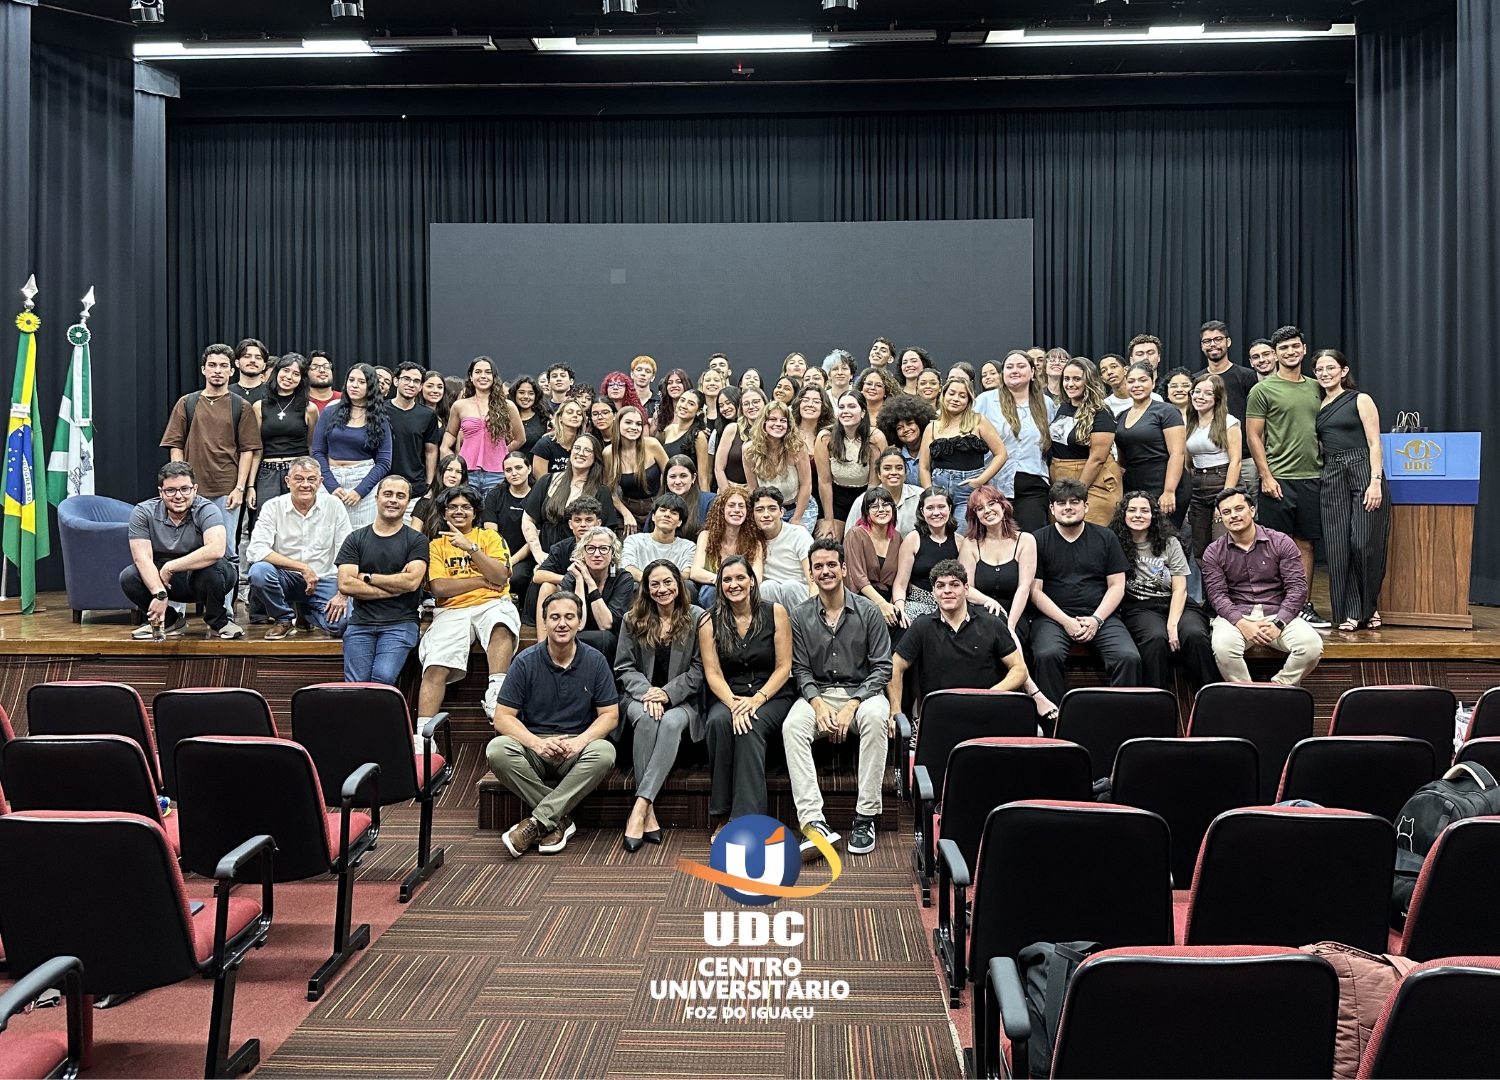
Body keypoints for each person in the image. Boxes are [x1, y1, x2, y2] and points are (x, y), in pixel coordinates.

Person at [783, 539, 893, 858]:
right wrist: (817, 704)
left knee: (875, 719)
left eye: (832, 564)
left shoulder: (869, 610)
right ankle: (814, 823)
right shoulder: (800, 614)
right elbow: (800, 669)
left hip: (863, 693)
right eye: (819, 566)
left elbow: (882, 667)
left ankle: (864, 817)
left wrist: (853, 704)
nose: (826, 571)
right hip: (818, 692)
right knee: (793, 727)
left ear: (844, 569)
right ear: (811, 573)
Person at [490, 591, 619, 858]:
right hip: (534, 747)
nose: (562, 623)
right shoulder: (525, 661)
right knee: (497, 749)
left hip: (576, 748)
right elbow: (502, 717)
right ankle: (558, 818)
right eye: (555, 617)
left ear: (580, 623)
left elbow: (610, 715)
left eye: (569, 617)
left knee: (605, 753)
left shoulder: (595, 661)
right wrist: (536, 743)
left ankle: (538, 821)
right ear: (545, 622)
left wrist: (580, 742)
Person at [615, 559, 705, 851]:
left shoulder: (697, 617)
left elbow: (699, 670)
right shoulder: (633, 618)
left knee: (668, 721)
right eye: (655, 583)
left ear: (679, 585)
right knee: (646, 718)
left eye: (668, 582)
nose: (661, 589)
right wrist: (648, 693)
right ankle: (648, 813)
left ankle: (639, 807)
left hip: (683, 702)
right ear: (646, 587)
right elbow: (625, 667)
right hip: (639, 698)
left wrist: (666, 694)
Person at [1029, 478, 1142, 708]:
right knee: (1046, 655)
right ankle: (1053, 725)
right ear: (1052, 509)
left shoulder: (1106, 537)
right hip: (1053, 619)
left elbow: (1117, 585)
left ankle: (1121, 724)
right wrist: (1066, 621)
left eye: (1074, 502)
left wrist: (1096, 619)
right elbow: (1034, 591)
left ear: (1086, 506)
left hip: (1101, 615)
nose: (1068, 507)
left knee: (1128, 658)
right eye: (1061, 503)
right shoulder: (1037, 540)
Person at [699, 556, 796, 825]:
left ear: (752, 581)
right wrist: (733, 703)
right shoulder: (708, 620)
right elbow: (713, 673)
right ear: (719, 585)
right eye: (727, 580)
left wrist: (756, 700)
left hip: (771, 693)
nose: (734, 584)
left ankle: (746, 821)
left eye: (740, 578)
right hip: (729, 692)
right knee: (718, 721)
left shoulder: (775, 612)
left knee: (748, 726)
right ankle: (722, 813)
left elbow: (783, 667)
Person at [1244, 326, 1329, 627]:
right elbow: (1253, 435)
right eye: (1284, 348)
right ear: (1275, 353)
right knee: (1273, 545)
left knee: (1305, 543)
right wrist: (1266, 476)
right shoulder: (1262, 390)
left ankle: (1303, 603)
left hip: (1312, 477)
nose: (1290, 352)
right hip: (1278, 477)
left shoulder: (1317, 387)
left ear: (1304, 349)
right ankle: (1274, 604)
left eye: (1295, 347)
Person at [418, 484, 521, 723]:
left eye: (466, 507)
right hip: (451, 609)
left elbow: (501, 576)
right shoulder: (435, 545)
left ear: (475, 512)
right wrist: (482, 580)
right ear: (444, 514)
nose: (459, 511)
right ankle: (422, 736)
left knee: (501, 622)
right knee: (436, 662)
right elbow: (439, 587)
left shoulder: (489, 537)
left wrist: (471, 548)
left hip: (491, 603)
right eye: (452, 507)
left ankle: (496, 693)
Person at [1201, 487, 1324, 685]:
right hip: (1237, 614)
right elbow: (1217, 596)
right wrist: (1242, 623)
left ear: (1252, 510)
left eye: (1239, 508)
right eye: (1226, 512)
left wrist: (1280, 622)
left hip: (1277, 612)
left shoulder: (1280, 542)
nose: (1233, 515)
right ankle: (1247, 693)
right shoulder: (1214, 552)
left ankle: (1278, 687)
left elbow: (1297, 588)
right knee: (1223, 647)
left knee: (1311, 646)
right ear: (1220, 517)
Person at [959, 485, 1057, 720]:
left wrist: (1010, 624)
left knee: (1004, 632)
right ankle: (1033, 692)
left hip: (1016, 612)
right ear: (975, 517)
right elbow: (966, 588)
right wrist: (989, 601)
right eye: (980, 509)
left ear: (1003, 505)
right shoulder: (970, 544)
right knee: (992, 627)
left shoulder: (1026, 540)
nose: (987, 511)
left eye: (991, 504)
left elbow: (1025, 587)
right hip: (979, 612)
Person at [160, 344, 262, 569]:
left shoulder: (241, 407)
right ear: (203, 370)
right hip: (189, 490)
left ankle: (223, 605)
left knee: (225, 552)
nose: (218, 370)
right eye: (212, 365)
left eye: (223, 366)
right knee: (181, 548)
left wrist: (240, 488)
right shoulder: (187, 403)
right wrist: (180, 484)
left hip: (226, 491)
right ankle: (175, 605)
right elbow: (175, 444)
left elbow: (248, 450)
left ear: (231, 371)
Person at [887, 559, 1029, 718]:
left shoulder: (991, 624)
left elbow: (1020, 670)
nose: (947, 590)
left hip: (986, 712)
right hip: (940, 717)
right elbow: (895, 666)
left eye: (954, 585)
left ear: (966, 589)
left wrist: (992, 694)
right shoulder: (922, 626)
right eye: (940, 586)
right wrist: (895, 712)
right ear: (933, 592)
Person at [1109, 492, 1218, 692]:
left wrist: (1173, 625)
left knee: (1195, 635)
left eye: (1145, 510)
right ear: (1123, 515)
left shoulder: (1169, 542)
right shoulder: (1113, 543)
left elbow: (1180, 588)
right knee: (1155, 639)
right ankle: (1155, 701)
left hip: (1176, 601)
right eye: (1132, 510)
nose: (1138, 515)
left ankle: (1208, 697)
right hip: (1139, 607)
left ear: (1154, 515)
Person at [1314, 350, 1389, 632]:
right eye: (1319, 369)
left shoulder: (1360, 399)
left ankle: (1367, 607)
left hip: (1361, 470)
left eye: (1330, 367)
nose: (1324, 373)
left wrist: (1375, 480)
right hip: (1332, 473)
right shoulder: (1319, 405)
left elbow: (1375, 443)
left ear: (1343, 371)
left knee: (1363, 543)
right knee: (1337, 547)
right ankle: (1349, 612)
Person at [123, 462, 242, 639]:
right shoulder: (143, 512)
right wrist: (160, 593)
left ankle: (220, 622)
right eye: (170, 490)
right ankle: (169, 622)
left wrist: (171, 567)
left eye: (185, 489)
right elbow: (142, 558)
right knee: (129, 576)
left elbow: (216, 549)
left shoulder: (208, 509)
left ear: (195, 489)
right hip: (166, 582)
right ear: (160, 492)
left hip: (202, 577)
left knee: (215, 568)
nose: (178, 496)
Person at [336, 474, 428, 683]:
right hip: (361, 624)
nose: (393, 500)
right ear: (376, 498)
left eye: (400, 496)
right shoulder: (355, 539)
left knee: (382, 678)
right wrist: (394, 587)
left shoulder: (416, 540)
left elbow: (411, 582)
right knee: (356, 684)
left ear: (407, 503)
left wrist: (366, 577)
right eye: (388, 494)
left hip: (400, 624)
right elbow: (346, 583)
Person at [246, 456, 351, 639]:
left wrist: (343, 593)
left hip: (324, 578)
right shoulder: (273, 507)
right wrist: (302, 567)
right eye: (299, 479)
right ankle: (283, 618)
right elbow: (255, 550)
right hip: (285, 577)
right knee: (259, 571)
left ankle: (306, 611)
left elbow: (348, 553)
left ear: (320, 482)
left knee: (341, 625)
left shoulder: (334, 505)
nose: (305, 485)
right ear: (288, 481)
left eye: (311, 479)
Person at [975, 352, 1053, 533]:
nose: (1014, 371)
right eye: (1009, 367)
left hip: (1033, 485)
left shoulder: (1046, 404)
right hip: (994, 485)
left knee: (1031, 541)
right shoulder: (985, 401)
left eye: (1021, 366)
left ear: (1033, 372)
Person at [922, 375, 1008, 534]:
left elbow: (1001, 454)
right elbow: (924, 467)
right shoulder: (932, 427)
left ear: (969, 400)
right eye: (952, 393)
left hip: (967, 491)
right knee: (938, 537)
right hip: (939, 490)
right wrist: (930, 493)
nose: (956, 399)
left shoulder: (978, 421)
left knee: (962, 537)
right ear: (943, 395)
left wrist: (980, 480)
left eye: (962, 396)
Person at [312, 364, 392, 530]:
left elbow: (384, 462)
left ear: (371, 386)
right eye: (351, 380)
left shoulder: (380, 418)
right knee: (324, 533)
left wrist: (360, 491)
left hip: (364, 480)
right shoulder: (330, 411)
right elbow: (318, 452)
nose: (354, 385)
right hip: (329, 478)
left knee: (360, 537)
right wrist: (331, 485)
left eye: (361, 382)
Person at [1047, 357, 1121, 526]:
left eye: (1077, 379)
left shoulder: (1101, 413)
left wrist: (1076, 492)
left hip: (1092, 481)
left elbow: (1097, 459)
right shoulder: (1064, 407)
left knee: (1089, 534)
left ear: (1089, 381)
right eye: (1066, 379)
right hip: (1061, 479)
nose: (1070, 384)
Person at [522, 433, 622, 556]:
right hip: (543, 554)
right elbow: (527, 520)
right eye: (577, 448)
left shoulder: (601, 492)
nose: (580, 453)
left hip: (580, 557)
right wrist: (538, 553)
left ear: (595, 458)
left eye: (587, 450)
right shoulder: (547, 481)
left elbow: (606, 533)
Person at [1115, 361, 1188, 528]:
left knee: (1164, 539)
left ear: (1153, 382)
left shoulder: (1167, 411)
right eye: (1131, 381)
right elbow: (1122, 462)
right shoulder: (1120, 416)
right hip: (1134, 488)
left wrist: (1169, 491)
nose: (1137, 385)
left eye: (1142, 380)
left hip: (1164, 484)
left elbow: (1177, 454)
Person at [440, 356, 522, 498]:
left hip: (498, 474)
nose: (483, 376)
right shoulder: (460, 405)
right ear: (471, 377)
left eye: (488, 372)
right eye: (478, 372)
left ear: (494, 376)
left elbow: (520, 439)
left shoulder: (508, 406)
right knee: (468, 513)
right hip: (467, 472)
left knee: (492, 516)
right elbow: (450, 434)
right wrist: (447, 452)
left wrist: (501, 453)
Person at [248, 354, 320, 515]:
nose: (289, 377)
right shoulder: (259, 406)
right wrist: (250, 486)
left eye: (296, 374)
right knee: (265, 523)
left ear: (302, 379)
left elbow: (311, 446)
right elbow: (256, 450)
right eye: (286, 370)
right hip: (267, 473)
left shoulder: (310, 408)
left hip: (299, 473)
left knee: (298, 522)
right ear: (277, 372)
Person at [1184, 372, 1243, 559]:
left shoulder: (1229, 422)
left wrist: (1225, 498)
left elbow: (1236, 461)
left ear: (1217, 397)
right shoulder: (1190, 424)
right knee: (1199, 549)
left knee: (1223, 546)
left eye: (1207, 393)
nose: (1200, 397)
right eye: (1196, 391)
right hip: (1198, 485)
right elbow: (1188, 465)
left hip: (1223, 480)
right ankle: (1208, 589)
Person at [893, 487, 967, 627]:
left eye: (941, 507)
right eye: (930, 508)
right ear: (922, 511)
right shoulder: (913, 539)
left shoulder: (960, 541)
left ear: (950, 508)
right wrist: (901, 609)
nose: (936, 513)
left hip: (951, 602)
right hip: (918, 602)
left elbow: (965, 584)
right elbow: (900, 584)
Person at [816, 391, 885, 540]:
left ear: (863, 412)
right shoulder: (825, 437)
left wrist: (867, 516)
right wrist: (828, 520)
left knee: (860, 541)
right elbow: (824, 481)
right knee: (827, 541)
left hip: (864, 496)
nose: (845, 411)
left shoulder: (876, 438)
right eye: (842, 407)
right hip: (835, 498)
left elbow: (874, 483)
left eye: (852, 406)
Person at [526, 496, 604, 623]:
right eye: (577, 520)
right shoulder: (560, 547)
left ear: (598, 523)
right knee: (547, 586)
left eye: (589, 520)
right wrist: (571, 580)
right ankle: (543, 642)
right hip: (569, 594)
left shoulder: (607, 546)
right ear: (570, 524)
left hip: (598, 595)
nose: (583, 525)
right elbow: (538, 576)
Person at [845, 487, 902, 637]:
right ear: (866, 511)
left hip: (889, 599)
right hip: (861, 598)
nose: (881, 509)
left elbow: (900, 580)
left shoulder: (897, 538)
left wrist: (893, 605)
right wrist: (881, 604)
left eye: (886, 504)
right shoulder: (855, 534)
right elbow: (857, 578)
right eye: (874, 506)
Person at [743, 401, 812, 523]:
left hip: (798, 509)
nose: (778, 424)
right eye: (773, 419)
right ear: (763, 423)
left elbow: (806, 485)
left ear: (789, 425)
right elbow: (753, 489)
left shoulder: (797, 447)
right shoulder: (749, 450)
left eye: (783, 421)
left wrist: (797, 518)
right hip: (767, 511)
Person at [482, 451, 536, 605]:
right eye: (508, 470)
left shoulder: (538, 496)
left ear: (529, 468)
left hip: (526, 555)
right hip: (498, 554)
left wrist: (511, 562)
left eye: (519, 468)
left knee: (516, 577)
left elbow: (534, 538)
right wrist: (500, 561)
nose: (514, 473)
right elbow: (491, 534)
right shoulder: (494, 495)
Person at [386, 362, 442, 505]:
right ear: (396, 381)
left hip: (416, 488)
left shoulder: (428, 415)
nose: (411, 384)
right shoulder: (380, 410)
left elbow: (431, 450)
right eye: (406, 379)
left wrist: (429, 484)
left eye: (416, 381)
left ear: (421, 386)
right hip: (383, 484)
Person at [751, 486, 815, 608]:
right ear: (753, 514)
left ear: (781, 512)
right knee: (766, 586)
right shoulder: (752, 540)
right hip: (771, 596)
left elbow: (813, 581)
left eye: (772, 509)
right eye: (759, 510)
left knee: (790, 586)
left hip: (800, 595)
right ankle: (772, 627)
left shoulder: (798, 534)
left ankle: (798, 626)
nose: (766, 515)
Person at [608, 405, 669, 525]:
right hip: (627, 509)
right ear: (618, 424)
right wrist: (626, 514)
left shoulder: (652, 445)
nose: (634, 428)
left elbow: (671, 476)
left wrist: (663, 507)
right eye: (628, 422)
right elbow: (609, 492)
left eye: (638, 424)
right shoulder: (609, 453)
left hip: (657, 506)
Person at [1195, 321, 1260, 433]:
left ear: (1228, 342)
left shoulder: (1247, 376)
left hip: (1241, 446)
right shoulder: (1196, 380)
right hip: (1205, 445)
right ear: (1202, 346)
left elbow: (1256, 417)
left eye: (1218, 339)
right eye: (1207, 341)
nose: (1212, 344)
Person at [845, 447, 924, 536]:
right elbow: (850, 536)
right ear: (879, 474)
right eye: (887, 468)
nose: (894, 472)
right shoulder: (863, 501)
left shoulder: (920, 496)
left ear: (905, 473)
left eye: (899, 468)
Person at [622, 493, 696, 580]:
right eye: (663, 510)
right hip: (642, 587)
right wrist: (651, 581)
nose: (667, 515)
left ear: (680, 522)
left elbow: (687, 574)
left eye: (674, 512)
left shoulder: (688, 547)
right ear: (653, 516)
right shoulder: (634, 540)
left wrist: (663, 581)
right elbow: (628, 567)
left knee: (689, 585)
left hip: (674, 589)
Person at [875, 393, 937, 487]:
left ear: (920, 423)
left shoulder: (935, 450)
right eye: (899, 428)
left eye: (910, 423)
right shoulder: (895, 455)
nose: (906, 430)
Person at [796, 385, 834, 534]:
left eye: (816, 401)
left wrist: (828, 519)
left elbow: (827, 481)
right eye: (805, 400)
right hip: (792, 503)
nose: (810, 404)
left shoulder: (829, 436)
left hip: (823, 503)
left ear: (823, 407)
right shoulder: (786, 432)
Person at [656, 392, 710, 491]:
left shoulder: (698, 436)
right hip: (668, 491)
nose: (684, 406)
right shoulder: (668, 430)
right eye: (682, 400)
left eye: (691, 404)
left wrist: (706, 503)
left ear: (699, 411)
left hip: (688, 493)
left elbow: (703, 478)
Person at [714, 386, 765, 491]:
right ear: (741, 408)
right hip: (732, 489)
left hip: (762, 492)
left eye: (756, 402)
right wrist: (727, 496)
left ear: (765, 403)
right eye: (746, 404)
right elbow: (719, 469)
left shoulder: (772, 431)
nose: (751, 407)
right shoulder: (732, 429)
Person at [530, 398, 586, 480]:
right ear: (560, 417)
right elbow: (540, 483)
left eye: (579, 413)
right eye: (570, 412)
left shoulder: (585, 444)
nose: (575, 415)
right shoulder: (544, 445)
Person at [412, 453, 468, 536]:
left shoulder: (469, 505)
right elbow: (414, 535)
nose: (453, 475)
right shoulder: (424, 503)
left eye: (458, 472)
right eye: (449, 469)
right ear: (440, 472)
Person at [664, 454, 712, 540]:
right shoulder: (659, 503)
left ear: (693, 478)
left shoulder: (710, 501)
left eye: (683, 476)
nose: (677, 481)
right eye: (672, 477)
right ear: (666, 479)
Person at [509, 375, 547, 458]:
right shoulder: (505, 418)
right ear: (514, 394)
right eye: (521, 392)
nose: (526, 396)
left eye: (531, 393)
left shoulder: (544, 418)